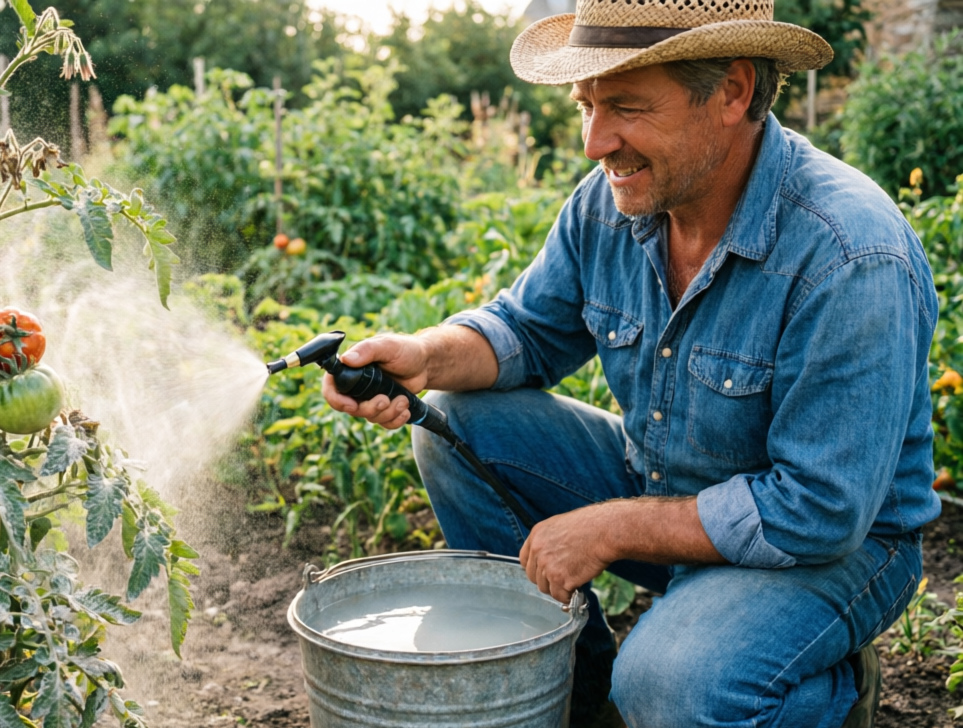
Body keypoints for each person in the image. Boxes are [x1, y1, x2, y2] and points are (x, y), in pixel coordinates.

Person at [321, 0, 941, 726]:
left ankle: (823, 694)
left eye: (625, 106)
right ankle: (573, 691)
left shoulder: (848, 253)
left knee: (670, 683)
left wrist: (610, 526)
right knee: (454, 422)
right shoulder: (615, 202)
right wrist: (424, 355)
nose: (593, 142)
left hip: (836, 548)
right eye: (585, 104)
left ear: (733, 91)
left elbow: (820, 509)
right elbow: (528, 329)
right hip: (668, 483)